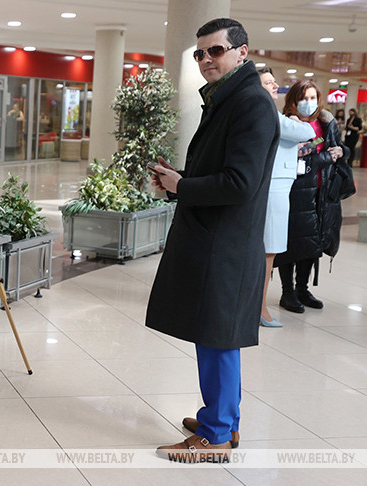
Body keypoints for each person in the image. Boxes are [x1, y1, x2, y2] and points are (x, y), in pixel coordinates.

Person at [146, 18, 279, 463]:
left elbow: (240, 183)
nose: (206, 60)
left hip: (227, 243)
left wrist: (182, 186)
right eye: (200, 53)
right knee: (217, 335)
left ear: (242, 52)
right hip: (218, 238)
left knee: (218, 337)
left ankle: (217, 433)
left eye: (216, 51)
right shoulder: (229, 100)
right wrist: (179, 180)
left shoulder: (251, 104)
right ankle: (225, 419)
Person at [274, 80, 347, 313]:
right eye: (304, 98)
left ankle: (303, 289)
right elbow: (295, 162)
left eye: (313, 98)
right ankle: (288, 292)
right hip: (295, 190)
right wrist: (326, 158)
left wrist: (340, 151)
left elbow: (336, 150)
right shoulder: (287, 125)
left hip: (321, 192)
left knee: (312, 241)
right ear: (293, 101)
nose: (309, 103)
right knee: (291, 242)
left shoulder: (326, 124)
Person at [256, 67, 315, 328]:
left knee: (269, 251)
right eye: (268, 82)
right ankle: (259, 309)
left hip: (279, 186)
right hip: (274, 189)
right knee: (269, 251)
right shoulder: (267, 112)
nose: (274, 85)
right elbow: (305, 132)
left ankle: (258, 307)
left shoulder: (269, 114)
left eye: (274, 81)